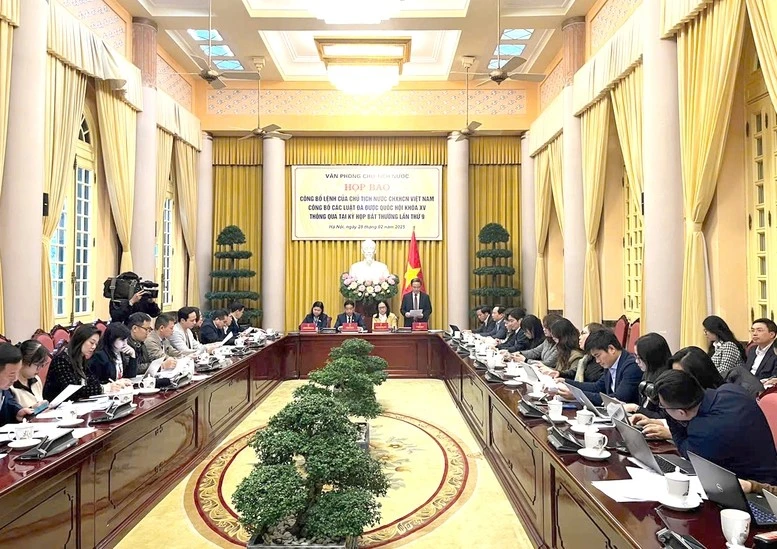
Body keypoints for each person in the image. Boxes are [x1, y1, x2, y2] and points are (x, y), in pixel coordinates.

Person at [654, 369, 777, 484]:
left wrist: (670, 417)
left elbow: (685, 451)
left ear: (681, 412)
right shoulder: (731, 390)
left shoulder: (704, 431)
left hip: (756, 490)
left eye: (663, 406)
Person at [556, 329, 641, 405]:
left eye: (598, 355)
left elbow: (618, 399)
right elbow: (597, 387)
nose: (597, 361)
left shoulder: (631, 366)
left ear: (611, 349)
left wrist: (577, 395)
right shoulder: (610, 363)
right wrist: (566, 382)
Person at [43, 324, 123, 401]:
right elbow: (72, 391)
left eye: (96, 344)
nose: (94, 347)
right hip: (57, 408)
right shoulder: (61, 360)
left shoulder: (81, 358)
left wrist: (112, 384)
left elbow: (93, 381)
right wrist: (104, 388)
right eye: (91, 343)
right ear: (80, 340)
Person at [623, 333, 673, 415]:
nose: (636, 361)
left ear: (651, 358)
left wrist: (636, 408)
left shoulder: (667, 382)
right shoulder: (647, 374)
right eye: (635, 357)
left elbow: (663, 418)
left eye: (639, 358)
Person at [0, 344, 34, 427]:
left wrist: (18, 411)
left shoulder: (4, 389)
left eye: (17, 372)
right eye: (11, 375)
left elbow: (9, 402)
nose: (15, 379)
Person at [10, 340, 48, 409]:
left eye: (42, 365)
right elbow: (12, 415)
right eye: (37, 365)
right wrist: (32, 409)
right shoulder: (10, 386)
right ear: (23, 362)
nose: (39, 369)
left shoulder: (36, 380)